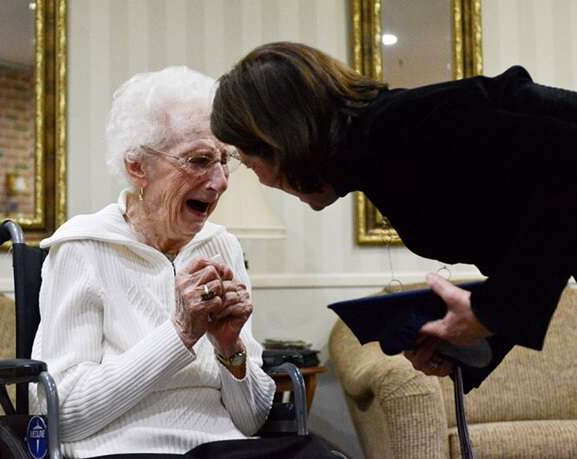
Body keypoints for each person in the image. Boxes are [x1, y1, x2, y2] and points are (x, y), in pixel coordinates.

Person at [210, 41, 577, 392]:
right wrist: (475, 345)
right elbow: (542, 229)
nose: (259, 178)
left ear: (279, 140)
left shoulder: (398, 129)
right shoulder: (382, 148)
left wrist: (491, 313)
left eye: (245, 158)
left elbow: (565, 160)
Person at [30, 66, 336, 458]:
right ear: (137, 166)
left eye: (224, 160)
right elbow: (63, 414)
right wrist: (179, 334)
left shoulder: (221, 246)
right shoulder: (83, 247)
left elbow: (253, 420)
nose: (221, 180)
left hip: (225, 449)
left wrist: (229, 348)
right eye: (199, 160)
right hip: (129, 451)